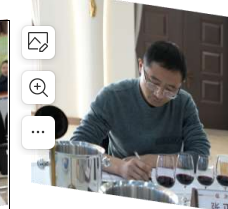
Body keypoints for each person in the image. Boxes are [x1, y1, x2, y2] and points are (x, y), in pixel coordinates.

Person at [69, 40, 210, 181]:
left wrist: (151, 160)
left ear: (180, 85)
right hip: (121, 179)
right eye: (153, 83)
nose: (159, 94)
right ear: (141, 66)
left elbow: (201, 156)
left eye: (170, 89)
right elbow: (76, 147)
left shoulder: (184, 103)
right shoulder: (112, 97)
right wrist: (120, 167)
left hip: (166, 182)